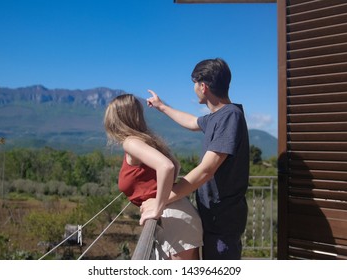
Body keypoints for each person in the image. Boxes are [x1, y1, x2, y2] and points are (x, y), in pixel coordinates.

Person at [143, 58, 249, 260]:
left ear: (203, 86)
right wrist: (161, 106)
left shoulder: (230, 116)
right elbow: (192, 122)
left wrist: (162, 199)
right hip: (214, 217)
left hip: (223, 221)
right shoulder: (217, 117)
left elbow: (206, 170)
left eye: (194, 84)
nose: (194, 89)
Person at [104, 94, 203, 260]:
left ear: (117, 119)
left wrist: (157, 205)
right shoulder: (145, 140)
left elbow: (167, 166)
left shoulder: (131, 143)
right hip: (177, 215)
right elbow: (175, 165)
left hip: (173, 220)